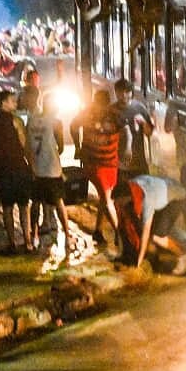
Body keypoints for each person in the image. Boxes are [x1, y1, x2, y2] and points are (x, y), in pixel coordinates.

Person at [26, 95, 84, 268]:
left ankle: (34, 235)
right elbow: (60, 146)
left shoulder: (32, 121)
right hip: (51, 169)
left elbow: (27, 144)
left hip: (35, 168)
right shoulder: (56, 122)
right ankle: (67, 235)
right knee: (59, 202)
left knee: (35, 202)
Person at [70, 88, 122, 259]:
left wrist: (79, 146)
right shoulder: (109, 114)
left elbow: (73, 126)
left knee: (104, 197)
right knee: (107, 199)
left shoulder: (100, 113)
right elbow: (73, 126)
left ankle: (98, 230)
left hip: (108, 162)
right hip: (98, 163)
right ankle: (120, 233)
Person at [118, 173, 186, 273]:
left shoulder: (148, 200)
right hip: (169, 190)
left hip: (177, 199)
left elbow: (146, 232)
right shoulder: (134, 184)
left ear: (127, 197)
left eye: (122, 202)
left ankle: (184, 256)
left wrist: (139, 262)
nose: (120, 204)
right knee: (161, 228)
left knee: (156, 236)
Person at [0, 89, 35, 252]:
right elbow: (24, 145)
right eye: (12, 101)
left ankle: (12, 241)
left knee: (6, 206)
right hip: (18, 166)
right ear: (3, 103)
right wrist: (32, 165)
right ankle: (27, 241)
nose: (15, 103)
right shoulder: (16, 121)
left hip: (0, 169)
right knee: (23, 206)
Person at [113, 79, 155, 184]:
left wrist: (143, 122)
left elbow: (149, 133)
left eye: (127, 92)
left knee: (141, 195)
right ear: (116, 93)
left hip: (139, 163)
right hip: (120, 164)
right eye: (120, 92)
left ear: (131, 92)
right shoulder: (111, 111)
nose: (124, 96)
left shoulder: (139, 108)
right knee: (122, 196)